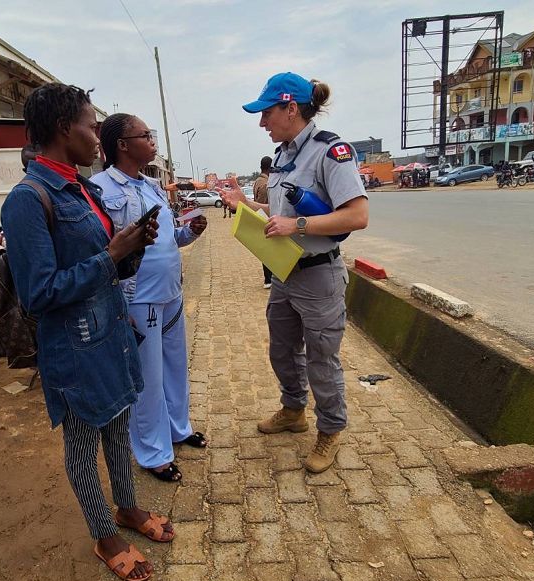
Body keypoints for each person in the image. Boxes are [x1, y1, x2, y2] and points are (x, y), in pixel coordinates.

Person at [1, 83, 171, 581]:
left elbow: (106, 265)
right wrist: (112, 255)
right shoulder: (28, 201)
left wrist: (133, 247)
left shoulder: (84, 188)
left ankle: (127, 508)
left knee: (118, 428)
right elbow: (39, 292)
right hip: (73, 346)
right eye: (91, 125)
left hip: (112, 333)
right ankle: (103, 533)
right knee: (81, 443)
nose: (98, 135)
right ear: (62, 129)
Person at [219, 72, 368, 473]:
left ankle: (331, 430)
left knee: (322, 358)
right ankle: (293, 410)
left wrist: (297, 227)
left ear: (290, 108)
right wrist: (245, 206)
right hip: (286, 272)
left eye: (267, 113)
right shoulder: (286, 155)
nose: (262, 122)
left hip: (319, 275)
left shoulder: (330, 151)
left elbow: (357, 215)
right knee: (282, 349)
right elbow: (282, 216)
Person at [92, 114, 208, 484]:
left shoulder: (152, 186)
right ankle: (153, 452)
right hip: (137, 297)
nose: (152, 140)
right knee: (148, 377)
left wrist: (188, 231)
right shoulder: (100, 189)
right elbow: (103, 250)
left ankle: (178, 429)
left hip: (171, 293)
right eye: (145, 135)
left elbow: (168, 236)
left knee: (175, 367)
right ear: (123, 145)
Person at [254, 156, 273, 288]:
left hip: (258, 217)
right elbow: (265, 204)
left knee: (265, 249)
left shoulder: (257, 181)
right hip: (266, 218)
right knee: (270, 249)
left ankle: (268, 278)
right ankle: (269, 279)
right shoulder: (266, 184)